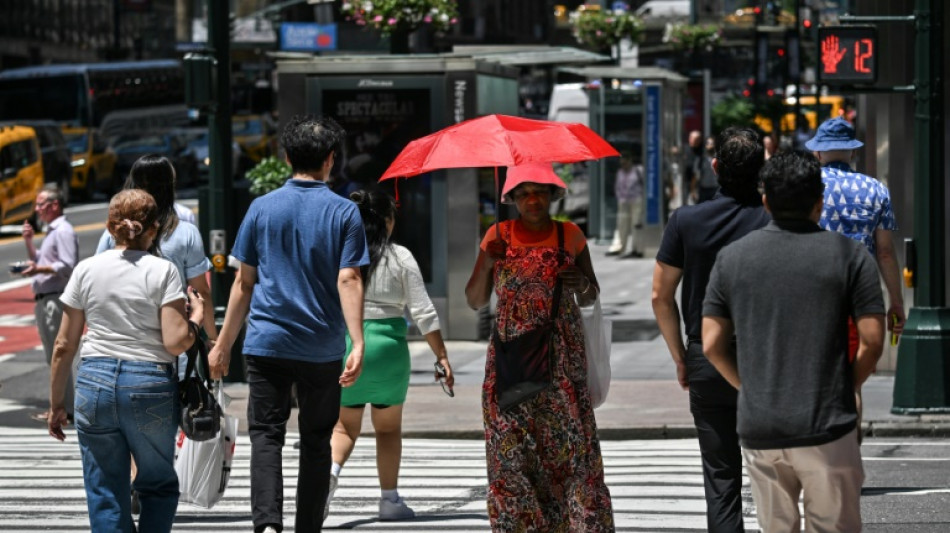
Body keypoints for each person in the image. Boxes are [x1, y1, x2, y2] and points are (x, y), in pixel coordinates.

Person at [702, 150, 885, 532]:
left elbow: (712, 345)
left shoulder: (732, 258)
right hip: (827, 423)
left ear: (765, 200)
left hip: (760, 426)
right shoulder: (849, 255)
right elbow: (871, 340)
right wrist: (846, 386)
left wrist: (748, 388)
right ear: (820, 202)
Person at [207, 114, 368, 533]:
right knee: (316, 441)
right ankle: (307, 528)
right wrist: (358, 342)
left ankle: (267, 526)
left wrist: (222, 344)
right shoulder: (345, 212)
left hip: (266, 343)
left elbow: (244, 284)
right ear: (331, 159)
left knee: (266, 435)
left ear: (284, 157)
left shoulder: (261, 208)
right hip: (321, 346)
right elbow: (348, 277)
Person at [465, 162, 613, 531]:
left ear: (552, 195)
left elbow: (592, 293)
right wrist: (488, 263)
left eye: (540, 192)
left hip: (562, 362)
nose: (533, 200)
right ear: (512, 199)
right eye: (524, 193)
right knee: (511, 453)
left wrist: (580, 282)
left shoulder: (570, 236)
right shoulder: (497, 236)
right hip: (511, 361)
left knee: (570, 451)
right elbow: (475, 300)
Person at [48, 188, 204, 533]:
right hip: (149, 383)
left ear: (110, 226)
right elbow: (176, 341)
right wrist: (197, 318)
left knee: (104, 488)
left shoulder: (86, 270)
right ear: (156, 227)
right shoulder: (163, 272)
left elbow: (63, 345)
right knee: (157, 483)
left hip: (94, 382)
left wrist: (57, 403)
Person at [651, 127, 769, 533]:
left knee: (721, 478)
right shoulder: (773, 219)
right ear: (762, 169)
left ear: (714, 166)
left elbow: (660, 296)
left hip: (706, 355)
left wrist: (681, 357)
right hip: (765, 358)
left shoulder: (687, 220)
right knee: (775, 473)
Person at [326, 190, 454, 522]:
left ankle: (331, 473)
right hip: (389, 350)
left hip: (347, 348)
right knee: (387, 429)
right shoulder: (400, 257)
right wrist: (441, 356)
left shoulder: (340, 255)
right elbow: (423, 312)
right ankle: (389, 500)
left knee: (344, 427)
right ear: (387, 221)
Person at [96, 155, 217, 350]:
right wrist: (212, 339)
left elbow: (98, 285)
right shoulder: (185, 233)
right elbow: (201, 291)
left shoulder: (111, 236)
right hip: (173, 344)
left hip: (121, 343)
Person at [806, 117, 905, 348]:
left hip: (815, 286)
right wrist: (897, 302)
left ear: (818, 153)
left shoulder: (807, 186)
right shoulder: (877, 189)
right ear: (852, 153)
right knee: (857, 358)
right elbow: (885, 252)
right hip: (862, 289)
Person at [19, 184, 78, 423]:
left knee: (59, 356)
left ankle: (67, 409)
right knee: (52, 357)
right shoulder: (52, 231)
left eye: (41, 204)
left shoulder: (63, 230)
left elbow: (67, 265)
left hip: (55, 298)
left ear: (54, 205)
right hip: (45, 299)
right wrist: (29, 243)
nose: (37, 209)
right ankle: (60, 407)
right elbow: (42, 262)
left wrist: (38, 268)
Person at [607, 151, 644, 258]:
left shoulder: (638, 170)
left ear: (630, 161)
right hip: (623, 202)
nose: (623, 165)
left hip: (636, 200)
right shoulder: (620, 172)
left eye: (625, 163)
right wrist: (619, 198)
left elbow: (644, 185)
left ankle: (637, 249)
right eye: (622, 164)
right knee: (622, 224)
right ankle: (619, 247)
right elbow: (617, 186)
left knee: (636, 225)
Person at [693, 135, 719, 203]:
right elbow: (695, 175)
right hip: (703, 191)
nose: (710, 145)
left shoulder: (719, 159)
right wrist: (693, 190)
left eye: (712, 143)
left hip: (715, 190)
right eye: (708, 143)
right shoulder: (701, 159)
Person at [683, 130, 703, 206]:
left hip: (697, 183)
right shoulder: (684, 149)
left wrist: (693, 188)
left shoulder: (702, 151)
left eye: (696, 139)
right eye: (692, 138)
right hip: (685, 181)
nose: (693, 140)